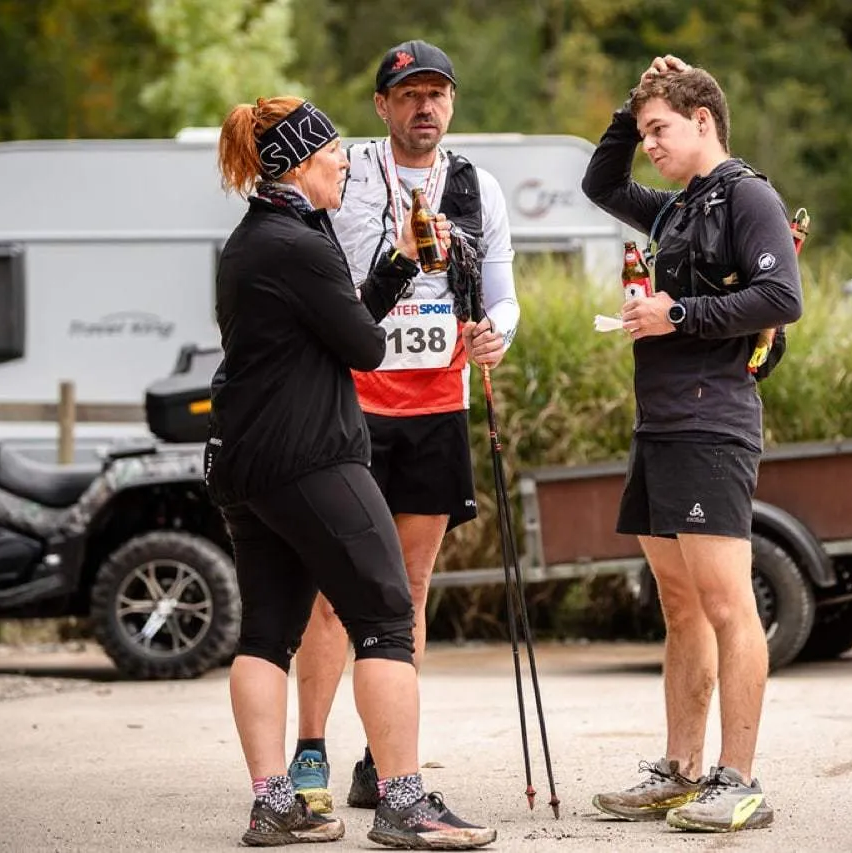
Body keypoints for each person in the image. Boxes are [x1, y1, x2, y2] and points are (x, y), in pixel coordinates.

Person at [208, 94, 496, 850]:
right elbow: (368, 349)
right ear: (300, 162)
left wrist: (400, 257)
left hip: (246, 463)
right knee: (387, 615)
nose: (345, 159)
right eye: (333, 149)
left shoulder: (252, 240)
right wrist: (403, 265)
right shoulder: (300, 243)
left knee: (267, 631)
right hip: (310, 456)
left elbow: (346, 329)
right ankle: (403, 801)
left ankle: (274, 803)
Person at [286, 39, 519, 815]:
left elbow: (503, 295)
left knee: (408, 590)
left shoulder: (476, 185)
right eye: (409, 94)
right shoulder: (346, 175)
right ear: (382, 106)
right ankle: (309, 748)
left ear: (451, 104)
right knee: (330, 589)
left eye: (438, 93)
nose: (426, 106)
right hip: (349, 407)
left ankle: (384, 764)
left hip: (435, 409)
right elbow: (308, 274)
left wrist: (496, 333)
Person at [580, 56, 803, 833]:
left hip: (713, 424)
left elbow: (782, 297)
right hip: (660, 425)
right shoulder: (676, 208)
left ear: (704, 120)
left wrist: (676, 315)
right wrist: (629, 104)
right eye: (644, 133)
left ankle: (737, 778)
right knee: (680, 606)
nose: (649, 146)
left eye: (660, 130)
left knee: (725, 603)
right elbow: (600, 186)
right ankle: (679, 771)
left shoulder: (748, 195)